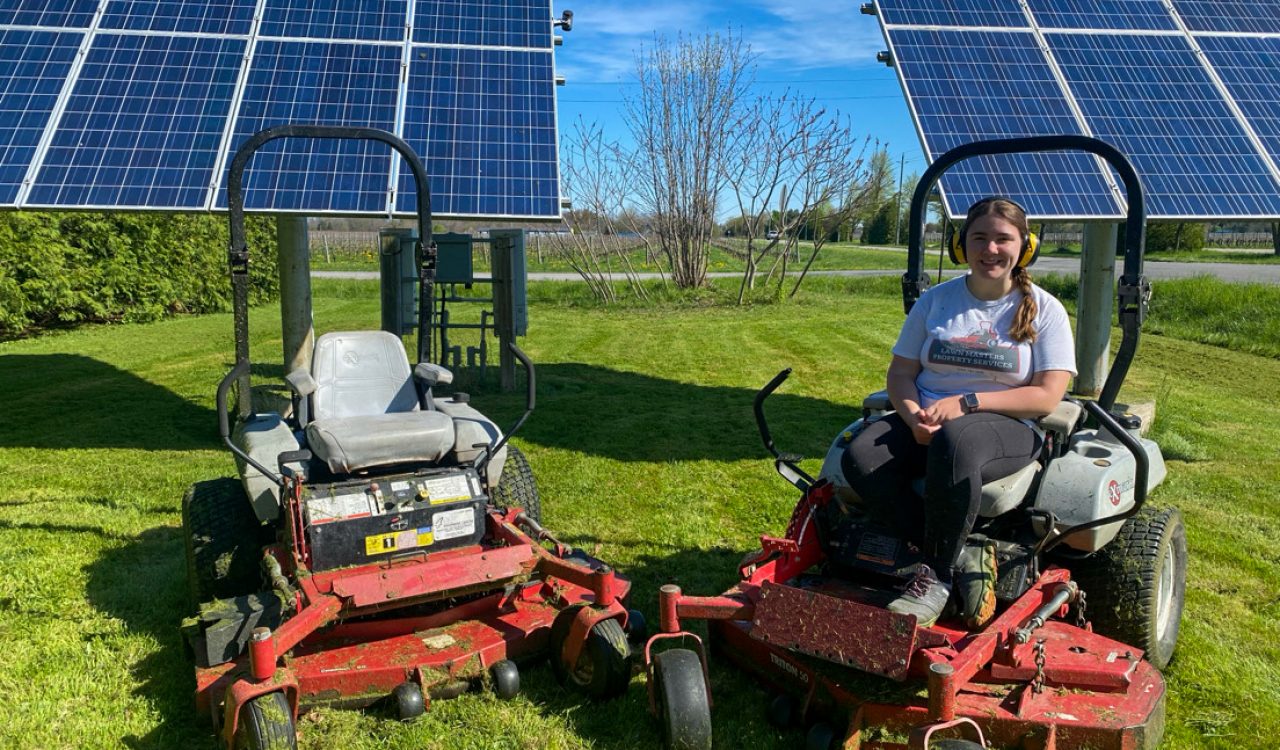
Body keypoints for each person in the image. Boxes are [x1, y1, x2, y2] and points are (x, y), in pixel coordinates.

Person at [841, 196, 1076, 626]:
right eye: (979, 238)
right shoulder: (936, 301)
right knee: (861, 454)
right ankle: (957, 551)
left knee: (956, 438)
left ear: (1025, 247)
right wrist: (912, 415)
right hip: (929, 420)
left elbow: (1045, 396)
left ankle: (935, 577)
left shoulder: (1046, 310)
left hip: (1008, 425)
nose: (990, 249)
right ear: (960, 245)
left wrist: (966, 403)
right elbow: (900, 374)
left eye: (1002, 239)